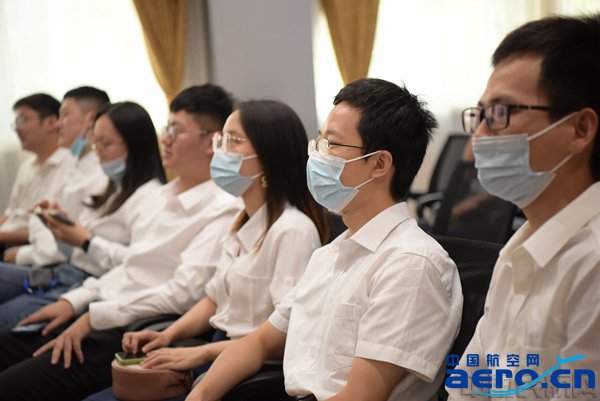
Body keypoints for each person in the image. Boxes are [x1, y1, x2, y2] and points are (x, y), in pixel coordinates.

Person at [189, 78, 462, 401]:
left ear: (379, 164)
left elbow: (360, 397)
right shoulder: (331, 253)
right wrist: (200, 395)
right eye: (318, 142)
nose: (317, 156)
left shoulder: (410, 264)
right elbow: (259, 342)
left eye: (331, 145)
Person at [0, 84, 241, 401]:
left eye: (176, 130)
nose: (166, 138)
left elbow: (182, 293)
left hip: (131, 328)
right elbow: (129, 266)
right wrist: (74, 302)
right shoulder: (162, 195)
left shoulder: (222, 209)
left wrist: (94, 315)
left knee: (12, 383)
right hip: (99, 303)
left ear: (211, 141)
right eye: (166, 128)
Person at [85, 99, 329, 401]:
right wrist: (167, 334)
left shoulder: (292, 231)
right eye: (220, 140)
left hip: (246, 369)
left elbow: (286, 335)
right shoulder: (242, 221)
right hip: (216, 349)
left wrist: (201, 353)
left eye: (234, 141)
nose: (220, 151)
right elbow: (214, 299)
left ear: (269, 155)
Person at [446, 14, 600, 400]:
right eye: (480, 115)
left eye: (501, 114)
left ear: (580, 129)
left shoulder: (592, 263)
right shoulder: (517, 252)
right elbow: (469, 386)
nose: (479, 137)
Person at [0, 101, 166, 329]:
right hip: (64, 272)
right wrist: (59, 228)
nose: (99, 153)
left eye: (106, 144)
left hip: (88, 282)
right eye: (96, 144)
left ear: (135, 144)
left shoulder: (150, 197)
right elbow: (73, 250)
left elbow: (137, 265)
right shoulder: (113, 188)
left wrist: (86, 241)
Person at [3, 86, 111, 265]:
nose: (59, 124)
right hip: (44, 251)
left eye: (65, 115)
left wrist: (24, 251)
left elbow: (70, 240)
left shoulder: (87, 170)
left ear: (90, 120)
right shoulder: (75, 167)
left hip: (52, 258)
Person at [0, 93, 74, 249]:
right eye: (16, 122)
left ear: (51, 122)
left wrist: (3, 236)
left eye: (23, 120)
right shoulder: (26, 167)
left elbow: (59, 231)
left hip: (34, 248)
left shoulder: (71, 165)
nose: (17, 129)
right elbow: (10, 214)